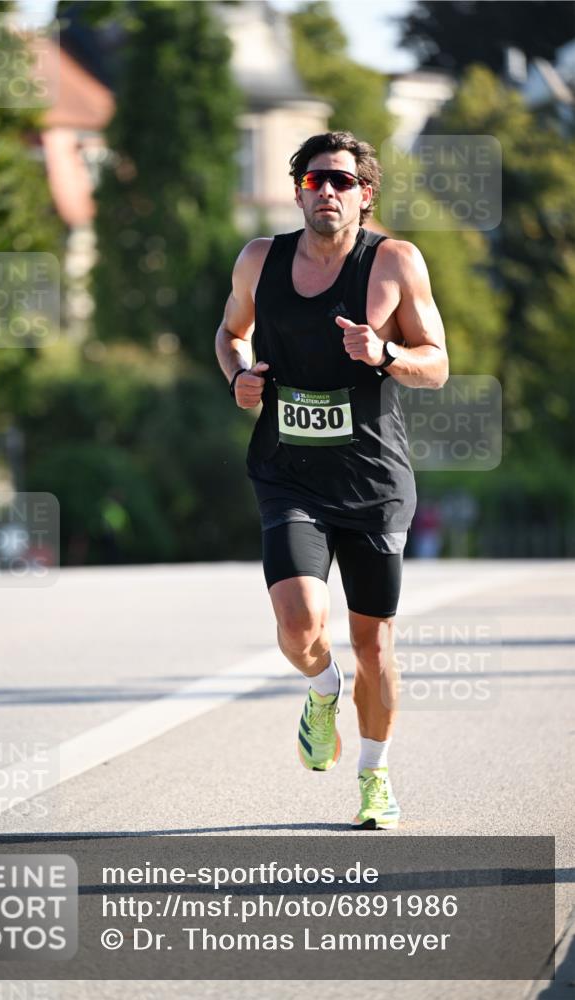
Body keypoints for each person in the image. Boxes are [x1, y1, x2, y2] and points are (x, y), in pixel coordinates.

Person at [215, 131, 448, 830]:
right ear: (297, 189)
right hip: (288, 472)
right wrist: (240, 377)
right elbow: (230, 332)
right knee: (297, 625)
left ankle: (373, 778)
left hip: (373, 478)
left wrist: (384, 352)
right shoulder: (261, 259)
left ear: (365, 193)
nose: (327, 192)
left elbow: (436, 364)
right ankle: (320, 690)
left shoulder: (395, 263)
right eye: (315, 180)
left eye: (342, 182)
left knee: (374, 644)